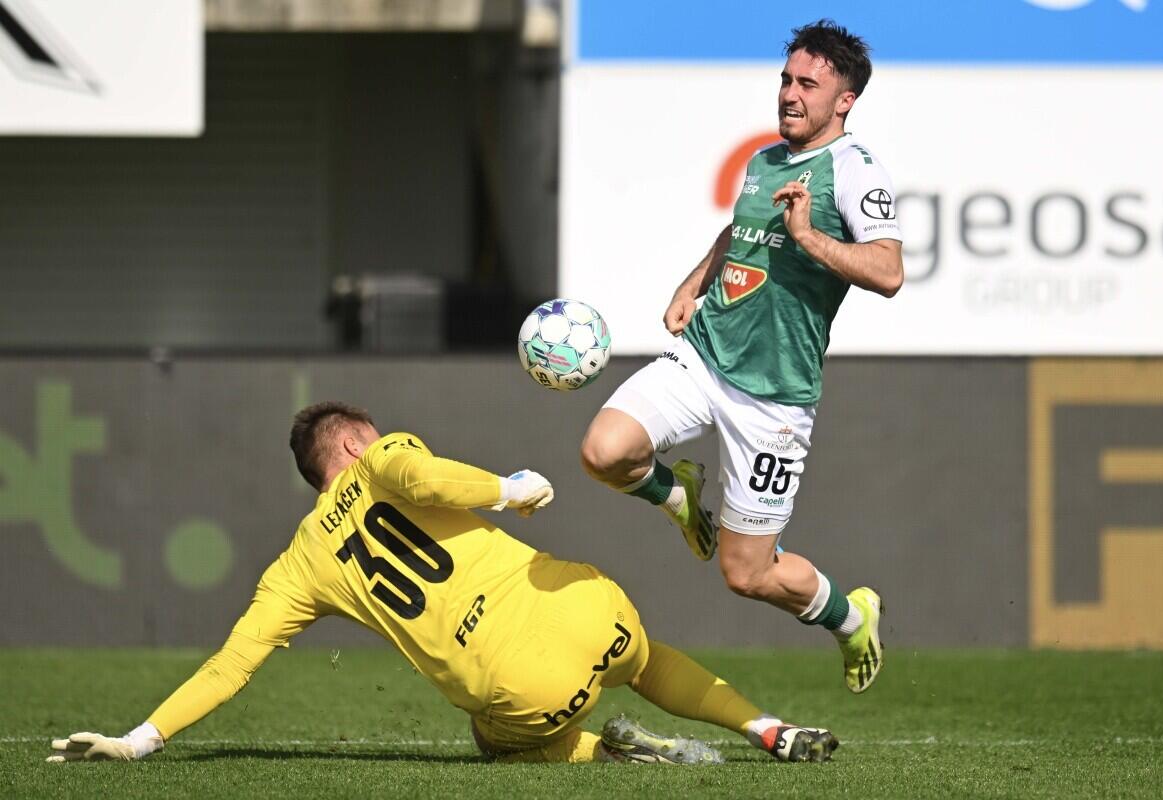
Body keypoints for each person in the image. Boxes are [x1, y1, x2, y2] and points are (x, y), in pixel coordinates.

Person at [47, 402, 837, 765]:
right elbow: (417, 471)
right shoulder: (383, 454)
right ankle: (764, 728)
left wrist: (139, 738)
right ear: (356, 442)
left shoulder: (298, 565)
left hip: (528, 691)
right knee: (645, 657)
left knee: (494, 740)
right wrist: (506, 487)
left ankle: (608, 752)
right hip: (592, 608)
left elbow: (231, 666)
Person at [580, 19, 903, 695]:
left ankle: (851, 618)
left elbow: (887, 271)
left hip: (774, 399)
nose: (790, 93)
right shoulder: (763, 161)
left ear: (843, 99)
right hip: (705, 356)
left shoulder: (854, 172)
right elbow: (740, 230)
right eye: (786, 78)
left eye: (808, 84)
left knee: (748, 574)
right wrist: (693, 283)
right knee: (604, 450)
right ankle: (677, 494)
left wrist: (809, 235)